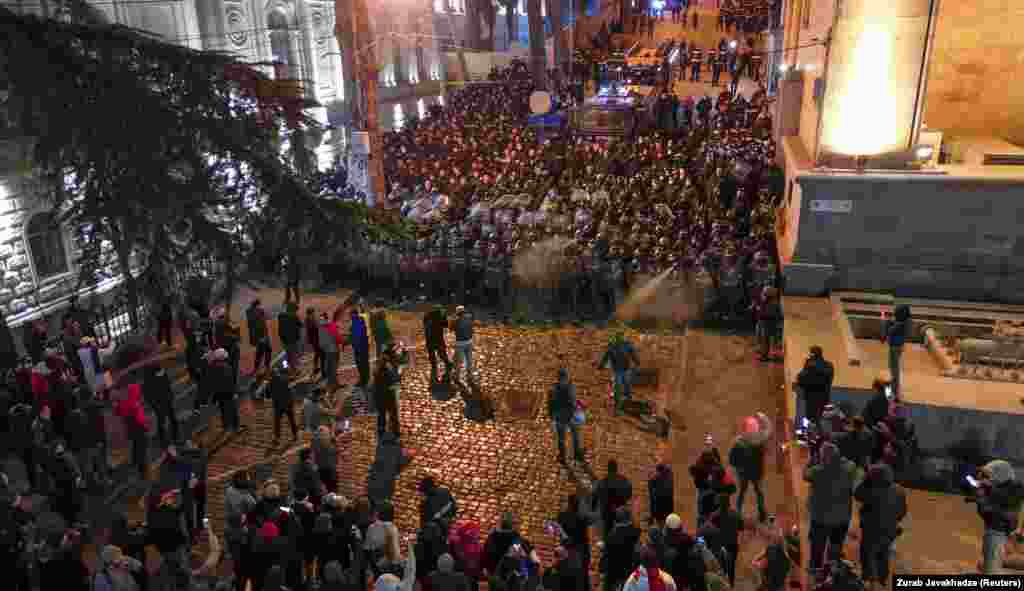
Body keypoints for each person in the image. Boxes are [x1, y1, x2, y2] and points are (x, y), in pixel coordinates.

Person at [805, 441, 862, 574]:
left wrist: (812, 461)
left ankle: (815, 568)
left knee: (817, 545)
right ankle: (832, 569)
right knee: (836, 545)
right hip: (842, 517)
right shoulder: (850, 467)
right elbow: (858, 475)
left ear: (823, 458)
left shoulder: (817, 471)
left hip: (820, 518)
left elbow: (805, 474)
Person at [855, 463, 907, 589]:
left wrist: (865, 480)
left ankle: (868, 580)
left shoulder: (871, 489)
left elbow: (857, 494)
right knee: (883, 554)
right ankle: (882, 580)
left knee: (867, 553)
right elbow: (902, 512)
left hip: (871, 529)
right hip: (890, 530)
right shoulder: (899, 489)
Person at [972, 460, 1024, 574]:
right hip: (1005, 538)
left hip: (1003, 536)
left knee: (990, 568)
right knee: (984, 565)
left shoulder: (1015, 489)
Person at [729, 413, 772, 523]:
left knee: (741, 493)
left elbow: (732, 460)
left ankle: (738, 513)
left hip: (743, 474)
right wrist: (763, 417)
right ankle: (762, 513)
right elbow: (768, 429)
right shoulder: (760, 440)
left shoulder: (738, 443)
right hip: (757, 473)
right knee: (759, 493)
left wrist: (738, 470)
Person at [598, 332, 641, 415]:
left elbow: (634, 355)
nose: (620, 339)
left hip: (626, 370)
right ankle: (618, 408)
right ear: (616, 338)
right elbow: (606, 357)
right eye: (619, 337)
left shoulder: (627, 345)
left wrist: (637, 363)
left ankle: (628, 405)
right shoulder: (612, 347)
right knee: (618, 388)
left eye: (621, 337)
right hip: (617, 371)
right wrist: (601, 366)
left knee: (627, 387)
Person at [548, 368, 583, 464]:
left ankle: (569, 455)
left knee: (569, 437)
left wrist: (552, 416)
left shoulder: (554, 389)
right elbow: (551, 405)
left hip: (563, 417)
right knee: (568, 437)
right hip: (567, 416)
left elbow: (550, 405)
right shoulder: (569, 388)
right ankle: (569, 455)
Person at [794, 346, 834, 427]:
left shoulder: (810, 366)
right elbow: (830, 380)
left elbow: (801, 379)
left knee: (810, 421)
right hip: (824, 399)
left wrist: (805, 366)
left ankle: (808, 435)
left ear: (812, 354)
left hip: (811, 400)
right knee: (822, 420)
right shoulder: (830, 365)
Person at [593, 460, 633, 540]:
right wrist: (624, 500)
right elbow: (629, 492)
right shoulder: (623, 480)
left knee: (607, 531)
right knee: (621, 530)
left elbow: (595, 495)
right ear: (616, 468)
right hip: (620, 510)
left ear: (608, 469)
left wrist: (593, 506)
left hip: (607, 511)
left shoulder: (602, 482)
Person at [882, 304, 912, 399]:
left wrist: (886, 324)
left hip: (895, 347)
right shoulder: (906, 322)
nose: (895, 316)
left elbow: (890, 331)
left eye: (897, 314)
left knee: (894, 368)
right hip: (897, 346)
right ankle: (893, 387)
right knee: (892, 367)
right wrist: (889, 322)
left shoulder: (901, 324)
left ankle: (893, 392)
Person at [373, 345, 402, 441]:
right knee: (393, 413)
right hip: (389, 395)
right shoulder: (389, 369)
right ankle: (395, 432)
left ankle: (381, 432)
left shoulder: (378, 368)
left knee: (381, 414)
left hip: (379, 395)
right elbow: (395, 381)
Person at [270, 365, 298, 443]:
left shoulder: (271, 382)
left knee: (277, 422)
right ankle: (295, 434)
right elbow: (291, 388)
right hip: (287, 403)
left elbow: (271, 394)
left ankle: (277, 438)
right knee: (291, 419)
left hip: (278, 405)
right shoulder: (284, 379)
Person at [424, 305, 451, 383]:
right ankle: (447, 364)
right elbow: (445, 325)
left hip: (429, 339)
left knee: (432, 354)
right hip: (438, 338)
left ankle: (434, 365)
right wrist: (444, 316)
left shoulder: (427, 315)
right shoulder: (441, 316)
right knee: (442, 353)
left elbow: (425, 325)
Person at [451, 306, 475, 386]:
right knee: (469, 360)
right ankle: (470, 376)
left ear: (457, 313)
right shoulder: (469, 318)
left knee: (459, 360)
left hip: (460, 343)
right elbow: (472, 328)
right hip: (469, 341)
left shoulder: (456, 320)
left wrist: (453, 319)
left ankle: (456, 376)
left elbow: (451, 328)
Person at [247, 299, 272, 374]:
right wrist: (264, 337)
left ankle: (256, 369)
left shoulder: (249, 312)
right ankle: (266, 367)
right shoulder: (259, 312)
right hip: (262, 336)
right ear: (258, 305)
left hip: (256, 336)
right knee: (266, 351)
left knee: (260, 352)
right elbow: (264, 320)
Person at [349, 307, 371, 390]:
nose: (349, 316)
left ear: (353, 314)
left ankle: (363, 381)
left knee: (361, 364)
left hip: (360, 347)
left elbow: (356, 336)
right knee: (365, 363)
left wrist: (351, 341)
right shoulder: (361, 320)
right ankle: (366, 379)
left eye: (350, 314)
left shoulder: (356, 322)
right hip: (364, 345)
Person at [319, 313, 342, 390]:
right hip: (334, 350)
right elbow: (337, 338)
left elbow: (321, 342)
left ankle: (331, 384)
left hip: (326, 351)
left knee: (329, 368)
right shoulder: (331, 325)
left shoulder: (319, 327)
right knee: (334, 368)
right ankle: (334, 384)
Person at [278, 302, 302, 370]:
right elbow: (300, 324)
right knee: (293, 354)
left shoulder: (281, 316)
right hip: (292, 339)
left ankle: (285, 366)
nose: (296, 312)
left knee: (286, 353)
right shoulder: (294, 317)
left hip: (284, 338)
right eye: (295, 310)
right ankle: (293, 368)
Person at [306, 307, 323, 378]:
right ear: (311, 313)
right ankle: (319, 368)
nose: (314, 314)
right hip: (315, 340)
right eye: (313, 313)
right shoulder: (310, 320)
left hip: (313, 340)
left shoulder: (308, 319)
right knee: (320, 353)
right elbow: (316, 327)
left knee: (317, 354)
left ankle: (315, 367)